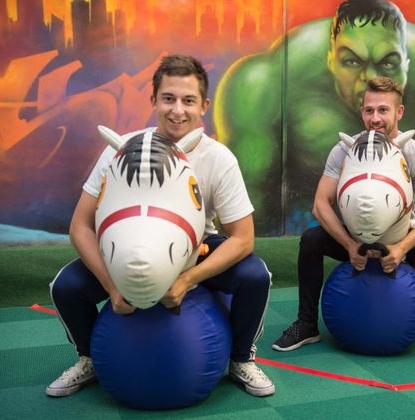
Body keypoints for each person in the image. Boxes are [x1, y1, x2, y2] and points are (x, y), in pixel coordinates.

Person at [46, 55, 275, 398]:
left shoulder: (218, 158)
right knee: (66, 286)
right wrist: (111, 285)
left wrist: (187, 279)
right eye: (168, 98)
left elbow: (243, 238)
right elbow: (80, 226)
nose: (177, 110)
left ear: (204, 106)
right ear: (153, 100)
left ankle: (241, 358)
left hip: (195, 248)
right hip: (127, 247)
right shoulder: (121, 150)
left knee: (255, 276)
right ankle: (90, 357)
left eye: (188, 100)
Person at [214, 0, 415, 235]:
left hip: (407, 223)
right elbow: (243, 218)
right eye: (352, 61)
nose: (370, 78)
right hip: (317, 223)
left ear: (407, 63)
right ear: (330, 60)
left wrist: (405, 245)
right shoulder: (264, 82)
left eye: (388, 63)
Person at [272, 76, 415, 365]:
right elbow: (320, 205)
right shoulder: (344, 150)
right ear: (362, 112)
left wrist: (402, 248)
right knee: (311, 240)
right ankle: (306, 324)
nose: (375, 118)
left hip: (400, 240)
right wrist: (349, 245)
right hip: (355, 240)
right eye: (369, 110)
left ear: (399, 112)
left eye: (383, 110)